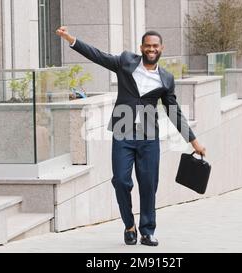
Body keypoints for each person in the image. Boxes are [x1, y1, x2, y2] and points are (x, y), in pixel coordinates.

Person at [56, 27, 206, 247]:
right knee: (120, 181)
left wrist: (194, 141)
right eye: (148, 45)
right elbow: (98, 55)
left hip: (148, 137)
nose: (151, 49)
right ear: (141, 48)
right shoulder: (126, 62)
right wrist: (72, 40)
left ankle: (147, 231)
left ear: (161, 49)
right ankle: (129, 225)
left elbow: (173, 111)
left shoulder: (166, 78)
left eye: (155, 46)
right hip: (123, 132)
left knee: (148, 185)